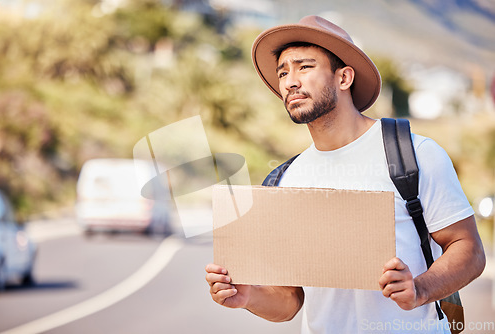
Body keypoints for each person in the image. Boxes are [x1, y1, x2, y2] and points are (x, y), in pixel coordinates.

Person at [205, 15, 486, 333]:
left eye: (304, 67)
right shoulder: (285, 179)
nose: (289, 81)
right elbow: (290, 299)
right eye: (282, 72)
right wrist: (248, 296)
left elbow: (469, 249)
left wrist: (419, 289)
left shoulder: (413, 155)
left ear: (344, 77)